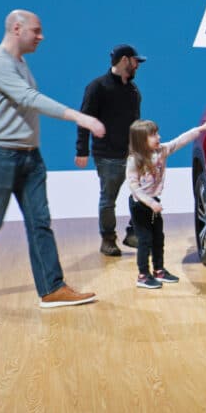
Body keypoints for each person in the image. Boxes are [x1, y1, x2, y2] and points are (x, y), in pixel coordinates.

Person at [0, 9, 105, 309]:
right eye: (36, 30)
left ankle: (51, 288)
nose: (41, 36)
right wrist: (80, 117)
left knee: (40, 222)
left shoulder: (21, 64)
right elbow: (29, 99)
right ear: (17, 28)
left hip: (30, 158)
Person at [126, 119, 206, 288]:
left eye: (157, 133)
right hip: (140, 206)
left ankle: (159, 270)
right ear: (141, 140)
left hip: (154, 203)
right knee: (145, 240)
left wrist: (201, 128)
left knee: (158, 238)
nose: (158, 137)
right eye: (153, 135)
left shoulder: (162, 150)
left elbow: (180, 140)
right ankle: (143, 275)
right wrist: (150, 203)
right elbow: (134, 188)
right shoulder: (134, 160)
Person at [75, 44, 146, 256]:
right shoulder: (97, 87)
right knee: (108, 200)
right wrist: (82, 150)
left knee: (142, 193)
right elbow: (84, 119)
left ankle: (133, 233)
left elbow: (137, 123)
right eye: (136, 62)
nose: (138, 66)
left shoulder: (133, 91)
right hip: (107, 155)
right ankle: (108, 240)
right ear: (125, 60)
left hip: (132, 154)